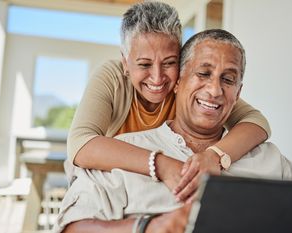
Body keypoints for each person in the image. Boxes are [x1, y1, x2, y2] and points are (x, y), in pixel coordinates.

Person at [54, 29, 292, 233]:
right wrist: (147, 227)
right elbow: (71, 228)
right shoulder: (121, 155)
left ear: (238, 93)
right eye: (203, 74)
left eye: (228, 79)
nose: (215, 90)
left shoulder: (271, 162)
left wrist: (216, 155)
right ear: (178, 81)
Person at [67, 1, 271, 201]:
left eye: (169, 63)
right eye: (144, 64)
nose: (157, 78)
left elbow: (256, 122)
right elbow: (79, 144)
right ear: (125, 63)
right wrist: (160, 165)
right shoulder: (112, 78)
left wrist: (215, 156)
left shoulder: (189, 88)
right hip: (113, 185)